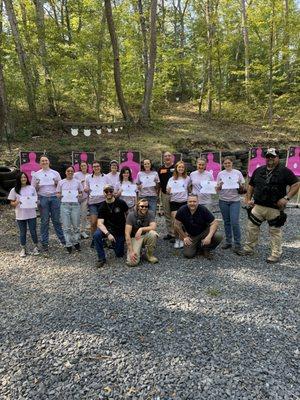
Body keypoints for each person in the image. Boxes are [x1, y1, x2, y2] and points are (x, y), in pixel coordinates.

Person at [243, 148, 299, 263]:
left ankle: (275, 254)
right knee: (251, 228)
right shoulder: (258, 170)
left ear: (278, 158)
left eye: (273, 157)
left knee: (275, 231)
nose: (270, 159)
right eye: (268, 157)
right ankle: (248, 249)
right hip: (258, 206)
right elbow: (251, 185)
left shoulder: (285, 171)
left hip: (275, 208)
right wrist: (248, 199)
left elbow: (296, 184)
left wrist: (286, 198)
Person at [31, 156, 65, 251]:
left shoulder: (55, 173)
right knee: (44, 221)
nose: (44, 162)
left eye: (46, 160)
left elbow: (60, 187)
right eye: (42, 161)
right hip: (43, 198)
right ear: (40, 163)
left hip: (54, 198)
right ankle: (45, 243)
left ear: (49, 162)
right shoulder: (36, 175)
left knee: (56, 220)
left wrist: (56, 183)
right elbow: (33, 189)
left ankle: (63, 240)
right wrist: (37, 185)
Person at [174, 194, 223, 259]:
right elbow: (176, 224)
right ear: (187, 202)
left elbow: (214, 223)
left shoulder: (203, 209)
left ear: (198, 202)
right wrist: (184, 237)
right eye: (190, 201)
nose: (192, 203)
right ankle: (200, 247)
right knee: (188, 254)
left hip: (204, 232)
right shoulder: (182, 210)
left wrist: (209, 237)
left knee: (218, 236)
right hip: (191, 235)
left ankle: (206, 249)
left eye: (194, 201)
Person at [93, 184, 129, 268]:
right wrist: (108, 234)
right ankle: (101, 258)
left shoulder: (121, 202)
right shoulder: (102, 206)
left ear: (113, 192)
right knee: (96, 235)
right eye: (106, 191)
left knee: (119, 254)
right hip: (108, 229)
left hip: (119, 229)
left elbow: (128, 215)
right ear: (103, 193)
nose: (108, 193)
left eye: (110, 191)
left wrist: (127, 229)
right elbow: (99, 223)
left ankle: (116, 242)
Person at [216, 157, 245, 255]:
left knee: (234, 222)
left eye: (229, 163)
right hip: (223, 200)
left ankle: (237, 244)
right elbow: (217, 189)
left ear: (232, 163)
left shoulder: (238, 173)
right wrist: (220, 185)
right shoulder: (220, 174)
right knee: (226, 222)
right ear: (223, 164)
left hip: (235, 201)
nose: (227, 164)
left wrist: (238, 184)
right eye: (225, 163)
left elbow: (243, 187)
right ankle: (228, 241)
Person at [8, 172, 39, 257]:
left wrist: (36, 202)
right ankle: (23, 248)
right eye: (21, 178)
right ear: (18, 179)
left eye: (25, 177)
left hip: (31, 214)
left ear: (27, 178)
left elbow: (36, 200)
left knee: (33, 231)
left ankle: (36, 247)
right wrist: (17, 202)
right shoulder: (14, 190)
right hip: (20, 215)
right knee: (22, 232)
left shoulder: (32, 188)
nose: (23, 179)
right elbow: (11, 203)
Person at [56, 165, 83, 253]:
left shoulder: (78, 182)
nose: (70, 172)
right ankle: (68, 244)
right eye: (68, 171)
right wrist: (59, 196)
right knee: (66, 227)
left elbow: (81, 193)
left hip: (75, 205)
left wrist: (79, 195)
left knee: (76, 226)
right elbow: (57, 194)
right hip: (64, 205)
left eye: (71, 171)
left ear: (73, 172)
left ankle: (76, 242)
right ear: (65, 172)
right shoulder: (61, 182)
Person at [125, 198, 159, 267]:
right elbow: (127, 234)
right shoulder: (131, 215)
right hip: (135, 238)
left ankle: (149, 255)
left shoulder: (150, 213)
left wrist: (141, 229)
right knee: (132, 263)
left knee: (153, 233)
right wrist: (131, 251)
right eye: (142, 206)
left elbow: (153, 227)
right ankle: (138, 251)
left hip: (145, 236)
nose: (144, 208)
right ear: (138, 206)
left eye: (146, 206)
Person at [166, 161, 191, 249]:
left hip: (184, 202)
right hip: (174, 202)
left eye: (182, 167)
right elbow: (168, 191)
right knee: (176, 222)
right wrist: (169, 190)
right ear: (176, 168)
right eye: (179, 167)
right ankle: (177, 239)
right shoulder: (171, 179)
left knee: (184, 222)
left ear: (184, 169)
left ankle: (183, 238)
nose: (181, 168)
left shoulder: (187, 178)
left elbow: (189, 189)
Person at [84, 160, 107, 246]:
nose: (96, 168)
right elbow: (86, 188)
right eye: (94, 166)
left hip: (103, 201)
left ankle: (102, 239)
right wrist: (86, 190)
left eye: (97, 166)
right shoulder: (88, 177)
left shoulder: (105, 177)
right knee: (93, 222)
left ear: (100, 167)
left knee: (102, 222)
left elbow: (109, 188)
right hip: (92, 202)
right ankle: (94, 239)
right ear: (92, 168)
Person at [158, 151, 175, 241]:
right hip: (164, 194)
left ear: (172, 157)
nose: (167, 157)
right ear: (163, 158)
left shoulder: (176, 167)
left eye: (169, 156)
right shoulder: (160, 169)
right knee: (167, 214)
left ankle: (177, 233)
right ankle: (170, 233)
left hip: (175, 195)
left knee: (175, 214)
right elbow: (158, 183)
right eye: (165, 156)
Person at [74, 160, 91, 239]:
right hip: (76, 198)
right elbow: (72, 183)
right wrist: (80, 182)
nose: (83, 167)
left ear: (87, 166)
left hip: (85, 198)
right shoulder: (76, 174)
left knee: (84, 215)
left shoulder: (90, 175)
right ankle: (76, 231)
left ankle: (82, 231)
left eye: (85, 165)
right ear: (80, 167)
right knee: (76, 215)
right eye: (82, 166)